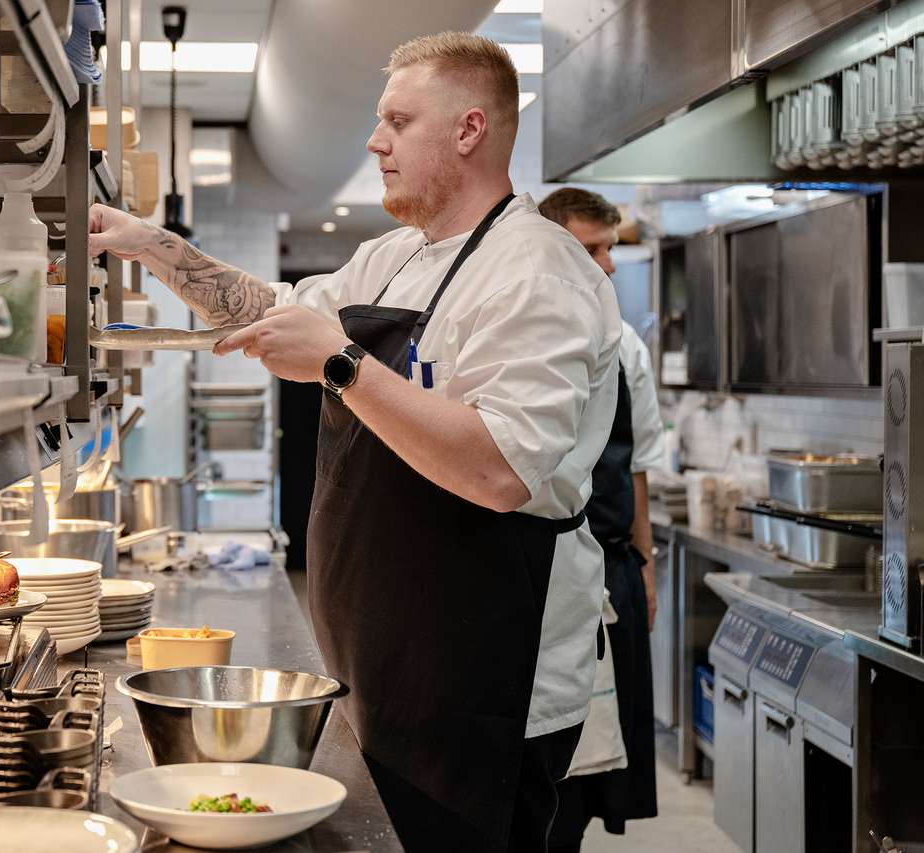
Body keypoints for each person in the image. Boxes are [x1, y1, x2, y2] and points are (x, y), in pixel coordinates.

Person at [89, 32, 621, 852]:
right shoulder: (394, 256)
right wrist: (146, 242)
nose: (375, 141)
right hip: (386, 656)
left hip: (489, 680)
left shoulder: (537, 272)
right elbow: (267, 312)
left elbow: (500, 468)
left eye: (398, 121)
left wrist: (340, 363)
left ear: (470, 130)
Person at [538, 188, 664, 852]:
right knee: (539, 755)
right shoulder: (519, 334)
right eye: (594, 249)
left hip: (609, 563)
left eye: (610, 248)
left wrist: (645, 567)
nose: (609, 266)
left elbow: (636, 464)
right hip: (537, 566)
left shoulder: (625, 347)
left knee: (592, 771)